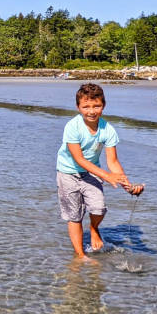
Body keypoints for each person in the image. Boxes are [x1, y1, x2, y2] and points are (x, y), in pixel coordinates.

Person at [56, 83, 143, 259]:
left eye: (96, 106)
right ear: (78, 107)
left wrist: (128, 185)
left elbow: (113, 161)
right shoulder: (72, 126)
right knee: (75, 216)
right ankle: (80, 256)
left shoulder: (107, 129)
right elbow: (78, 159)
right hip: (67, 173)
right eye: (86, 107)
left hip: (91, 172)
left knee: (99, 208)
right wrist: (107, 176)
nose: (91, 111)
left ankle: (94, 228)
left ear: (103, 105)